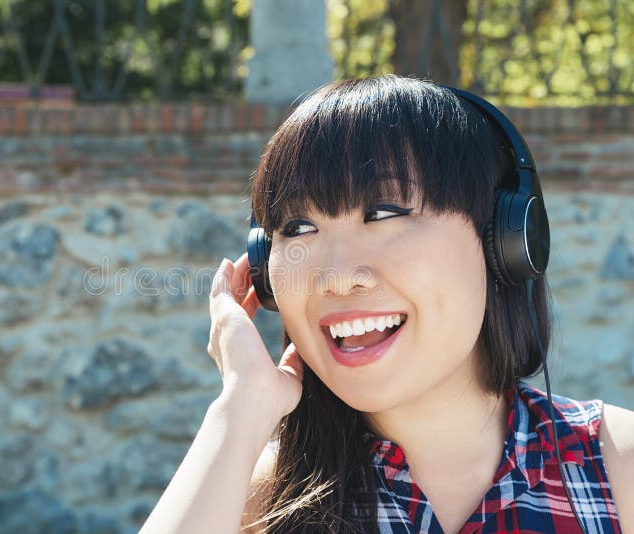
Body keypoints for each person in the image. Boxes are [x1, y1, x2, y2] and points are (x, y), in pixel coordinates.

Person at [140, 75, 633, 533]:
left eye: (383, 213)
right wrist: (242, 407)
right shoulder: (253, 498)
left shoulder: (616, 464)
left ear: (505, 242)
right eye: (299, 228)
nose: (337, 277)